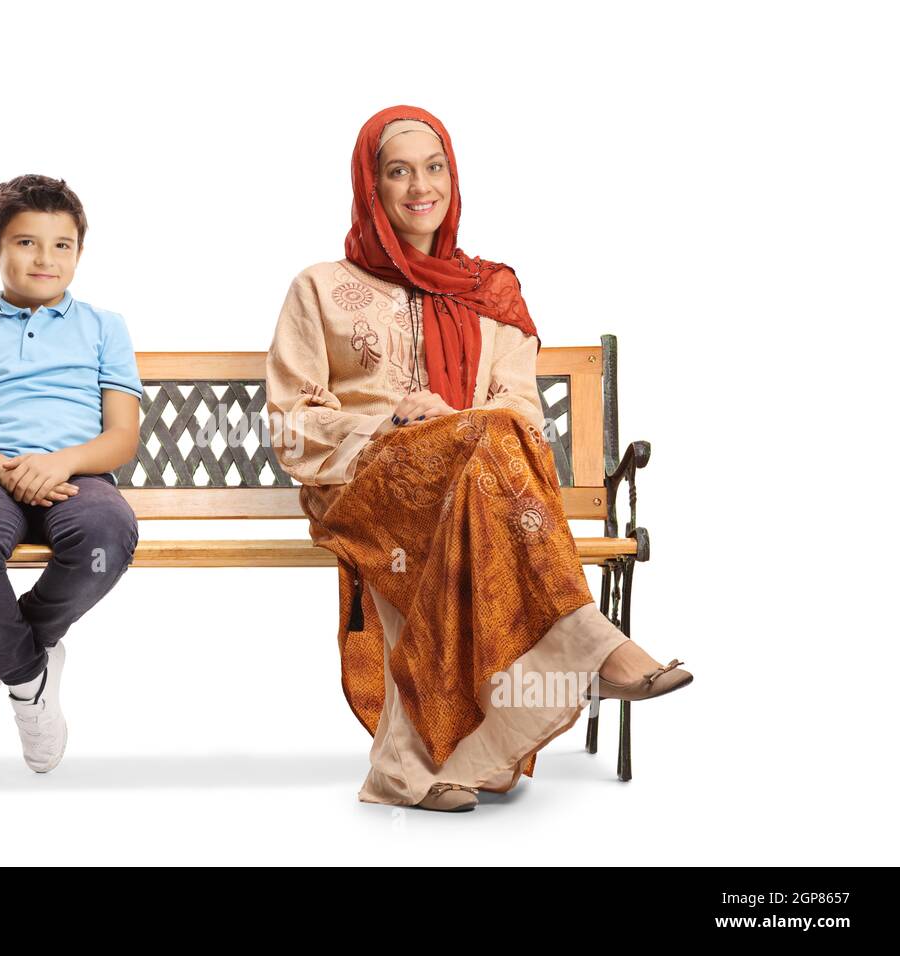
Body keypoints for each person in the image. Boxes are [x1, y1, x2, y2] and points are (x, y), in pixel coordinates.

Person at [265, 106, 693, 813]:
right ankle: (590, 647)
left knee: (484, 454)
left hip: (475, 481)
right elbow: (291, 424)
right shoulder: (318, 288)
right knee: (481, 456)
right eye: (397, 171)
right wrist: (390, 423)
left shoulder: (491, 291)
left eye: (434, 168)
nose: (418, 187)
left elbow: (521, 416)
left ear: (453, 179)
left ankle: (417, 770)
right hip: (363, 483)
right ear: (370, 185)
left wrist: (454, 425)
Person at [0, 174, 143, 774]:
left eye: (61, 245)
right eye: (25, 243)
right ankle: (29, 680)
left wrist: (61, 462)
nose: (45, 258)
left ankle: (7, 654)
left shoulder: (104, 327)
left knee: (105, 538)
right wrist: (4, 468)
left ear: (78, 251)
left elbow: (122, 436)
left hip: (78, 479)